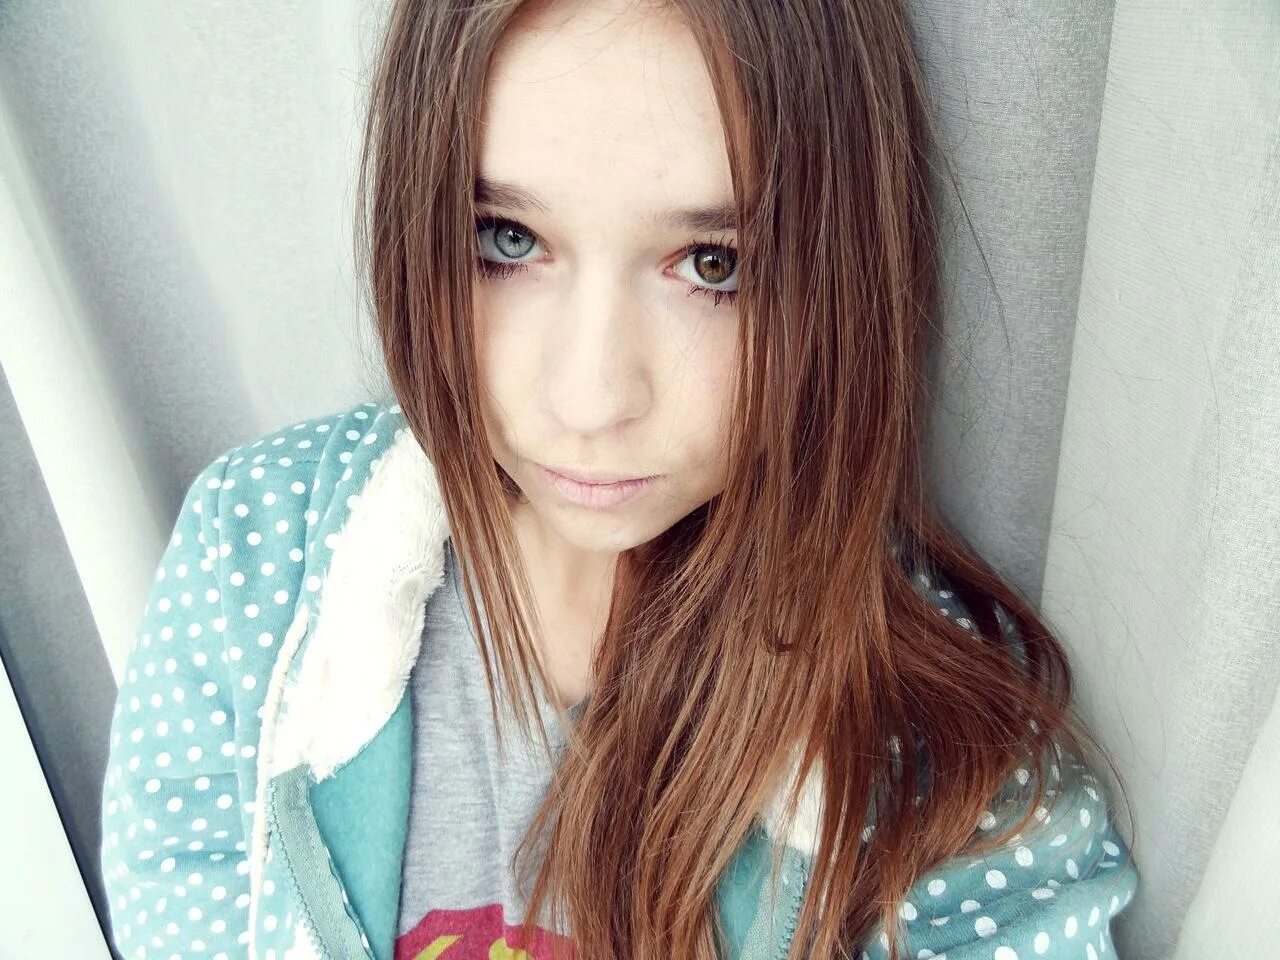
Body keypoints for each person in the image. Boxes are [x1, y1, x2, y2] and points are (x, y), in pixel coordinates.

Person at [98, 0, 1140, 958]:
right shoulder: (260, 557)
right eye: (507, 240)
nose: (591, 399)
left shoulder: (938, 754)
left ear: (839, 276)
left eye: (714, 264)